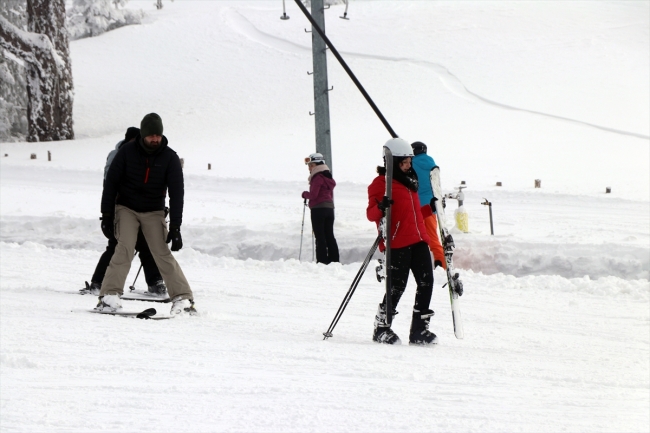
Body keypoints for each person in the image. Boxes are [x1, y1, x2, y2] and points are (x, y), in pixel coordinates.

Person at [96, 113, 196, 316]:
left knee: (161, 251)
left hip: (154, 211)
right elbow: (111, 185)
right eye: (151, 135)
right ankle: (109, 297)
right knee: (124, 248)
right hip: (126, 208)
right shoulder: (126, 153)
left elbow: (177, 194)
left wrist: (175, 227)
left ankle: (183, 299)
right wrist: (107, 215)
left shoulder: (169, 158)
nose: (155, 139)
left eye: (158, 135)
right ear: (143, 135)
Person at [366, 138, 437, 345]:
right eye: (404, 162)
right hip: (397, 242)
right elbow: (371, 214)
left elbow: (412, 213)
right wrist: (381, 207)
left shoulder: (411, 182)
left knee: (426, 282)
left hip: (419, 238)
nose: (408, 166)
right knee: (397, 286)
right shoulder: (380, 184)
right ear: (393, 161)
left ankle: (419, 331)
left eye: (409, 162)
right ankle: (381, 327)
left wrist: (430, 208)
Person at [80, 127, 166, 296]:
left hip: (140, 208)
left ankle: (155, 282)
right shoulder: (119, 155)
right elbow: (110, 185)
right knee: (117, 245)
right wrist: (108, 213)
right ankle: (99, 282)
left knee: (146, 245)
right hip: (120, 208)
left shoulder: (139, 154)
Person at [410, 141, 446, 270]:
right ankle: (440, 261)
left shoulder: (411, 164)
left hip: (417, 206)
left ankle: (433, 264)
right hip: (431, 206)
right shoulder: (432, 163)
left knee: (417, 237)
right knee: (432, 235)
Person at [301, 153, 340, 264]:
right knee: (329, 235)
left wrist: (304, 194)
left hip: (318, 209)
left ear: (318, 165)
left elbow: (313, 195)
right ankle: (334, 259)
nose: (309, 168)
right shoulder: (328, 177)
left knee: (320, 236)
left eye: (311, 165)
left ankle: (322, 261)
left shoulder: (317, 177)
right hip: (329, 209)